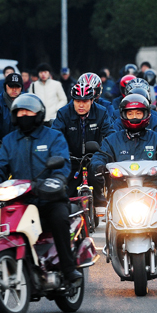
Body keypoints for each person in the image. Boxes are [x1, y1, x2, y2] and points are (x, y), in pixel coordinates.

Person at [0, 93, 82, 284]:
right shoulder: (9, 141)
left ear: (38, 114)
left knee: (58, 218)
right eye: (20, 112)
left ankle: (68, 268)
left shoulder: (54, 136)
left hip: (50, 198)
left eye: (28, 111)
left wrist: (55, 182)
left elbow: (62, 165)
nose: (24, 115)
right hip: (20, 200)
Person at [89, 94, 157, 198]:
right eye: (130, 113)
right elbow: (99, 156)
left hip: (151, 191)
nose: (134, 117)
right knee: (107, 213)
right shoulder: (112, 140)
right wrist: (99, 165)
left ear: (146, 114)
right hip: (119, 191)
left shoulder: (156, 139)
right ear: (123, 115)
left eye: (138, 113)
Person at [52, 83, 114, 215]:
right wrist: (61, 153)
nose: (81, 105)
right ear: (72, 100)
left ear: (92, 100)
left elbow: (110, 135)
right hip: (71, 156)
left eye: (85, 101)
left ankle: (99, 201)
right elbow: (55, 136)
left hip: (95, 156)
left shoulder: (102, 112)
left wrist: (106, 151)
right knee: (68, 191)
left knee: (97, 174)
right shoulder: (63, 113)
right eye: (77, 101)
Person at [0, 73, 23, 151]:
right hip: (2, 144)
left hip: (22, 144)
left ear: (21, 88)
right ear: (5, 86)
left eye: (17, 86)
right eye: (11, 86)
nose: (14, 89)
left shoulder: (26, 101)